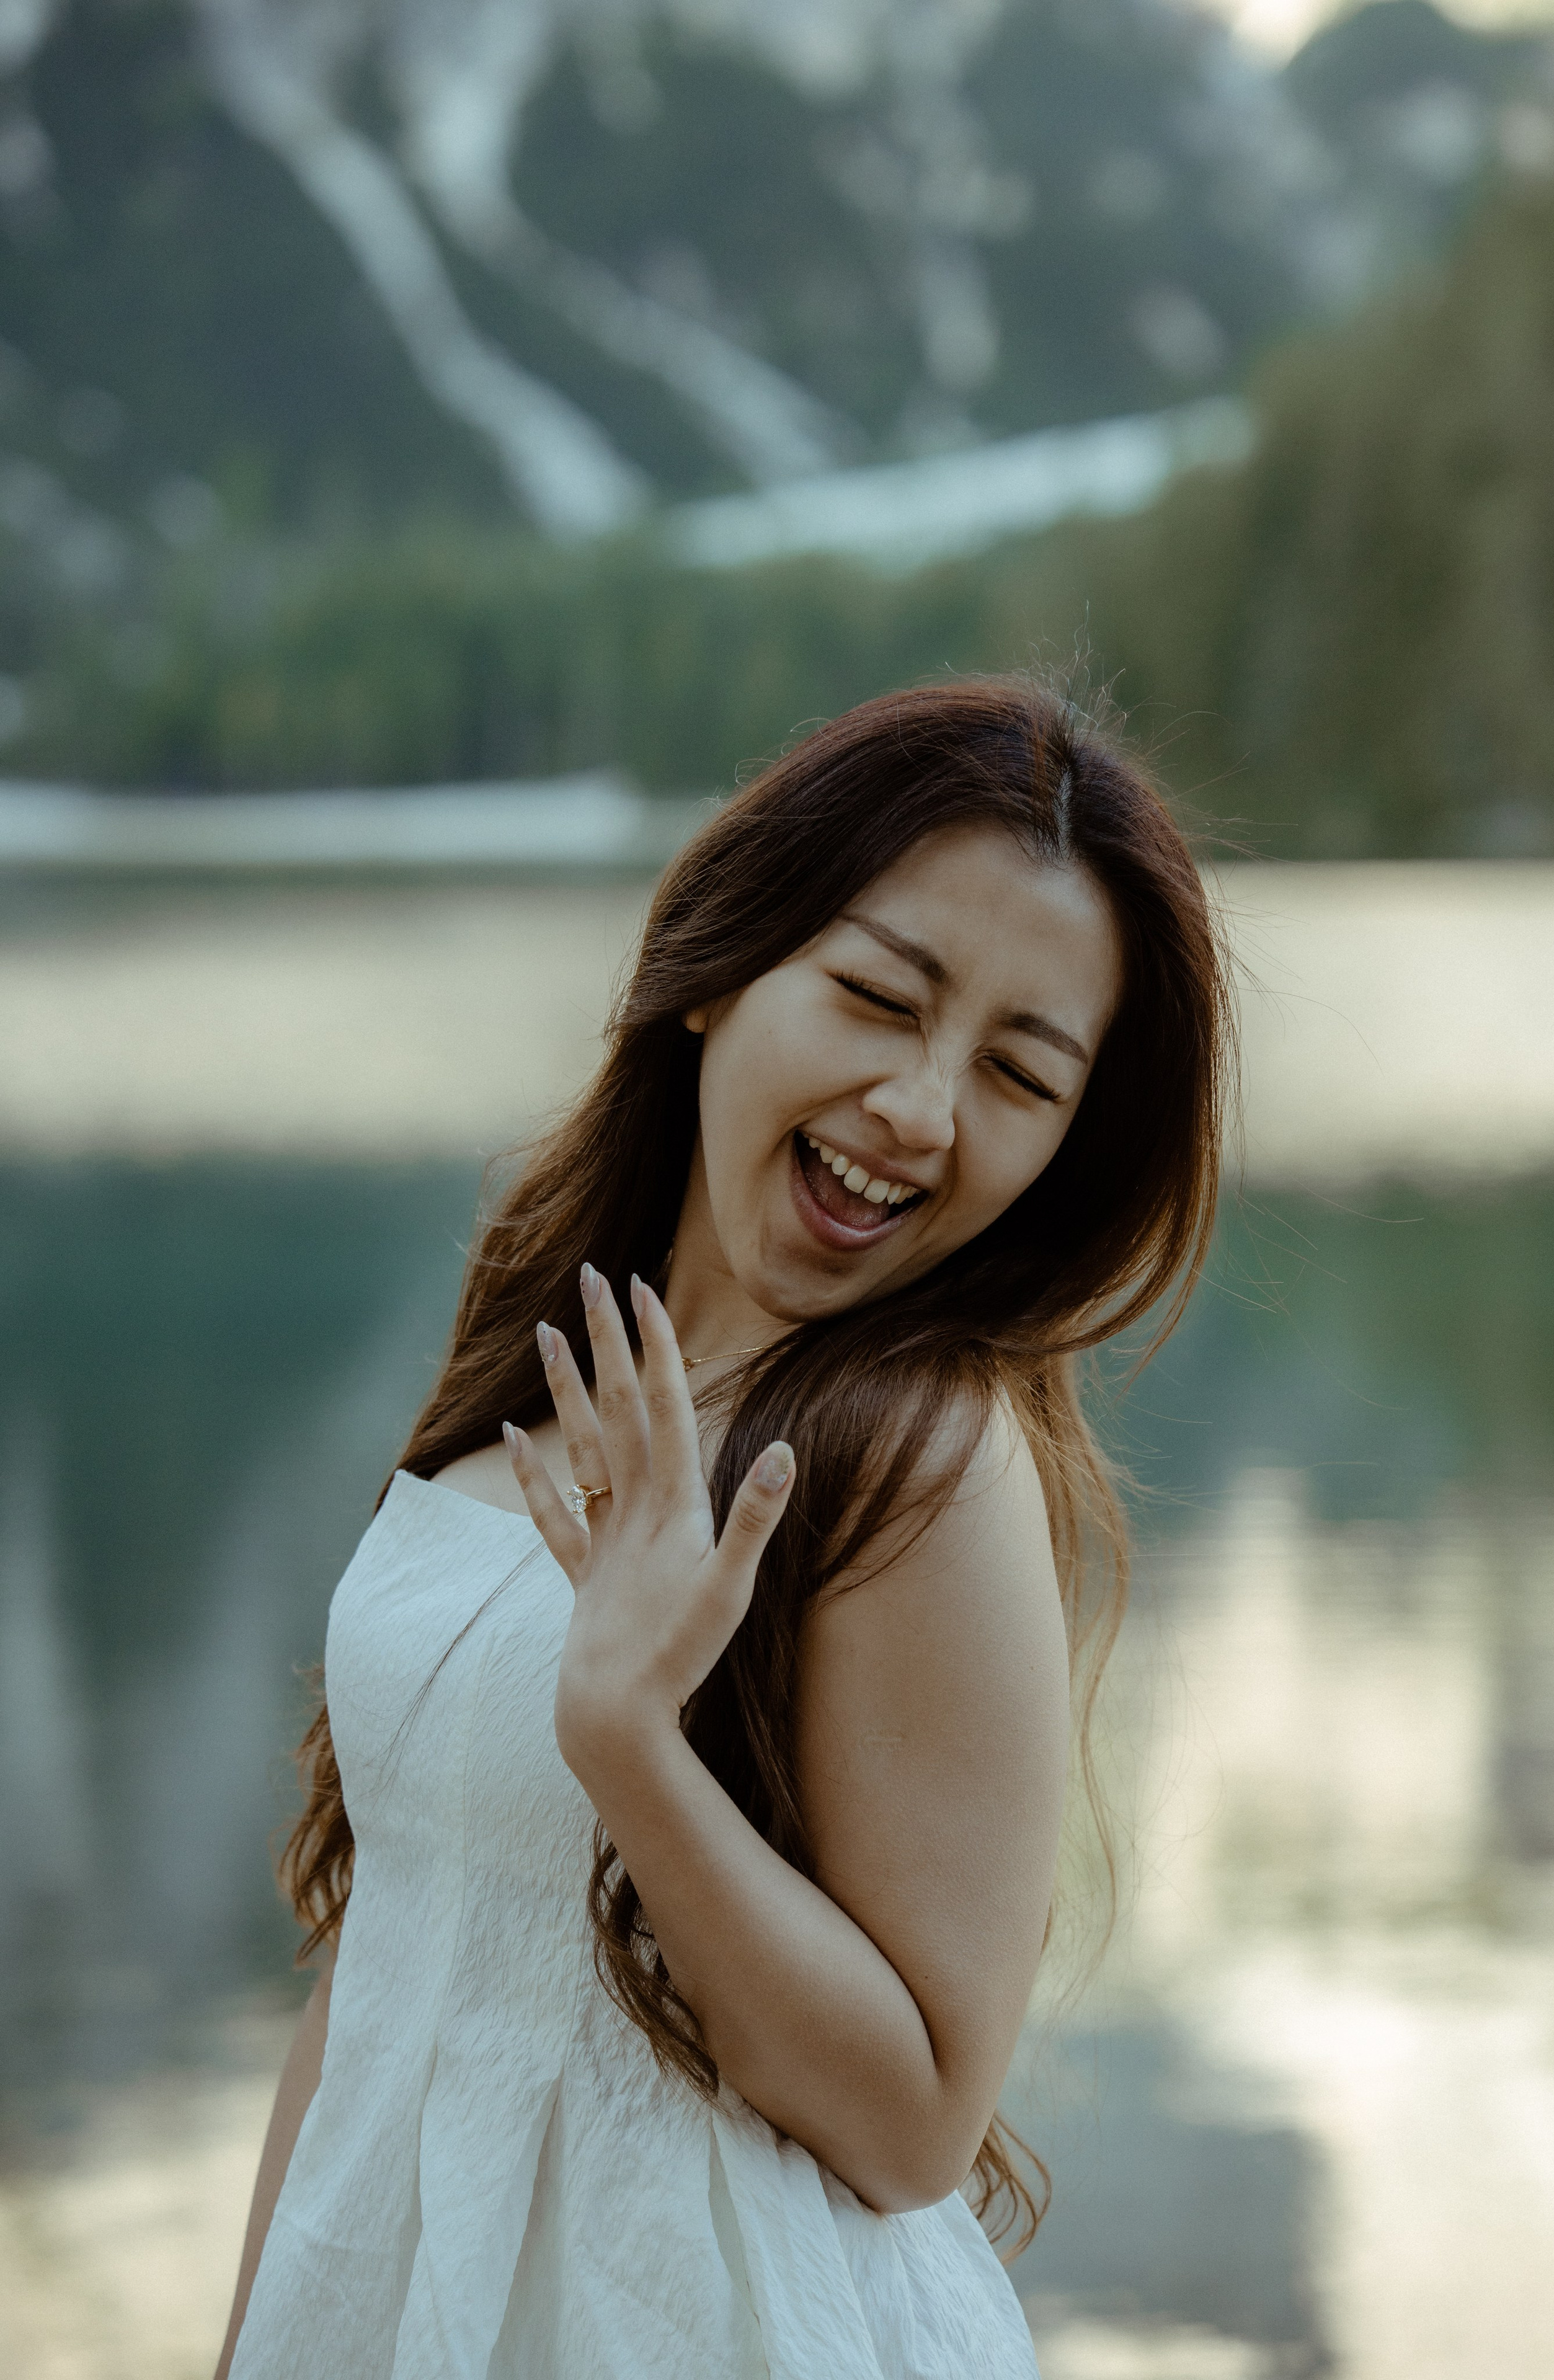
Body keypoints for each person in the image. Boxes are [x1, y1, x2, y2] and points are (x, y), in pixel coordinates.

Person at [215, 678, 1232, 2380]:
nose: (918, 1106)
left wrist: (633, 1746)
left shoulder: (917, 1455)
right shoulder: (559, 1340)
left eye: (1017, 1074)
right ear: (720, 971)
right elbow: (385, 1963)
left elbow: (916, 2124)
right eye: (876, 997)